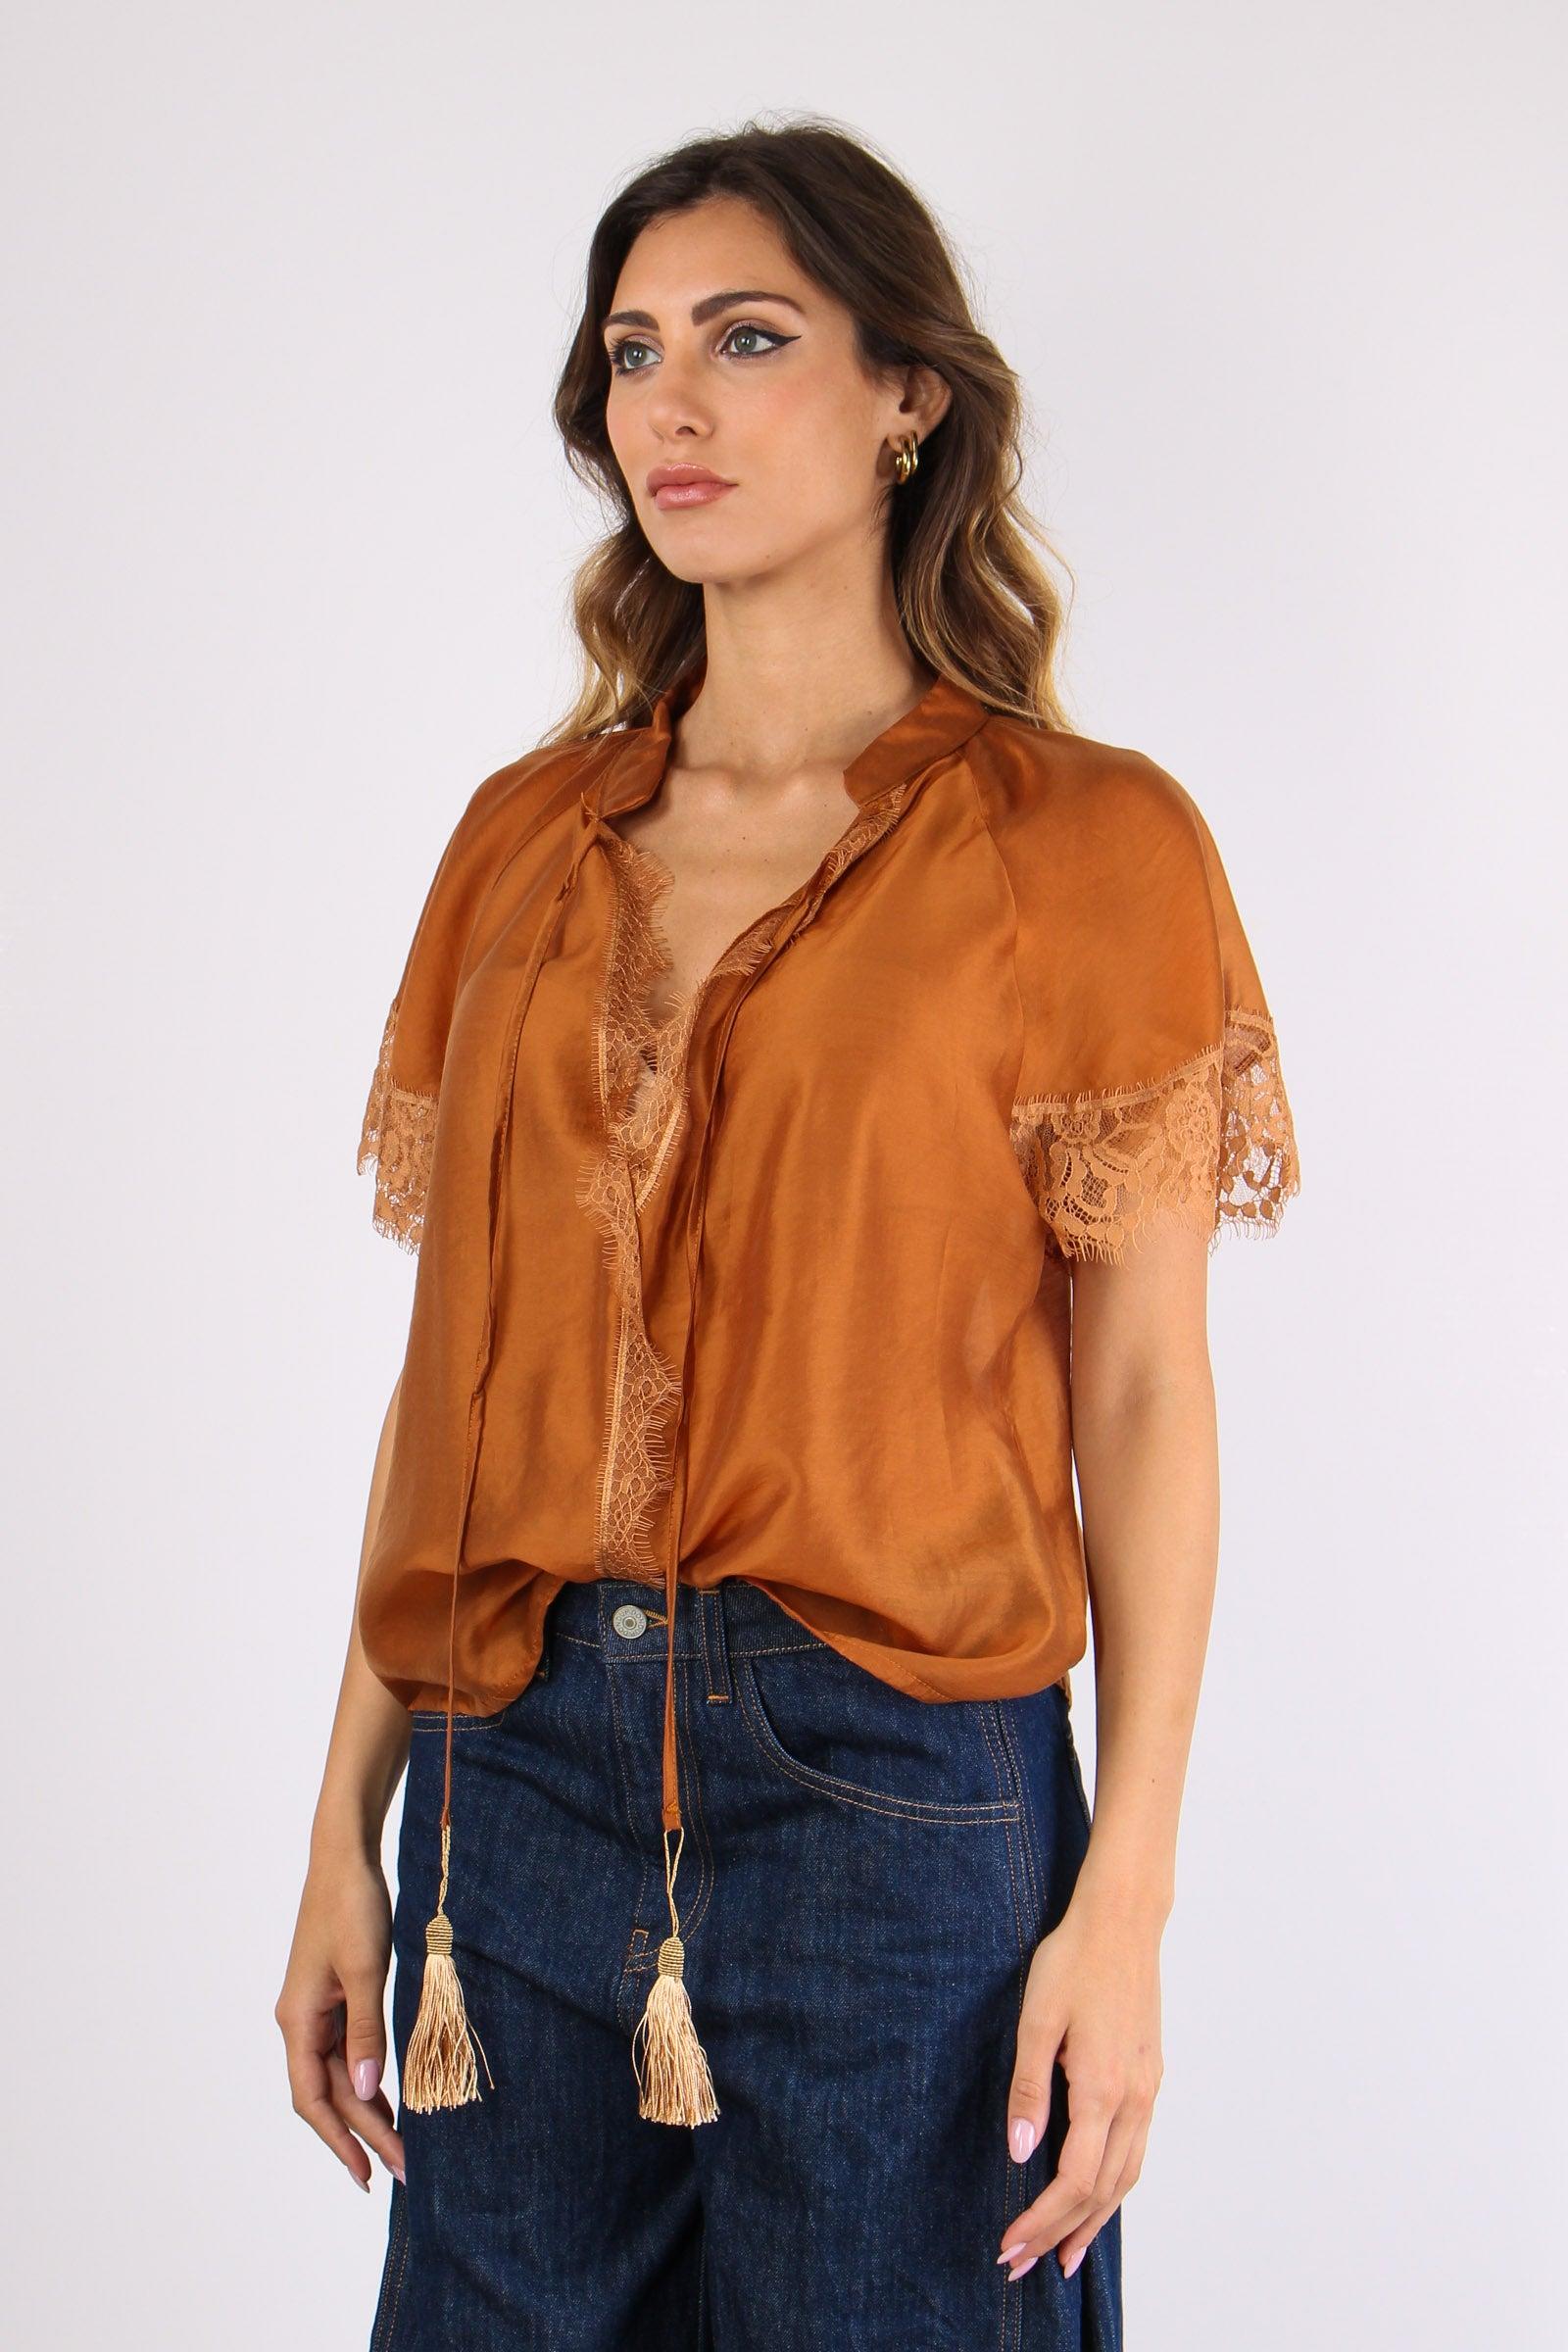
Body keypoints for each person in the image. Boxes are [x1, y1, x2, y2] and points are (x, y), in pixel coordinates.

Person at [275, 117, 1300, 2350]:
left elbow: (1141, 1391)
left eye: (747, 339)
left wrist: (1124, 1895)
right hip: (506, 1777)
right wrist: (343, 1825)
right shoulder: (522, 844)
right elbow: (453, 1375)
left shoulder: (1082, 842)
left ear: (907, 391)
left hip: (891, 1794)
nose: (672, 403)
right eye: (633, 351)